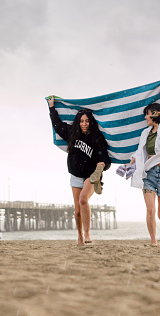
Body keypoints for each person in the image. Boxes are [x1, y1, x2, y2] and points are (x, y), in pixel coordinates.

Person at [47, 96, 111, 246]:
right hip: (75, 175)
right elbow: (57, 125)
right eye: (82, 121)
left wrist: (102, 165)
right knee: (77, 211)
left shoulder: (97, 138)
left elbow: (107, 161)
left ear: (91, 122)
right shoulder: (72, 133)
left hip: (91, 175)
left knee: (83, 200)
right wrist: (51, 108)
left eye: (87, 121)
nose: (84, 124)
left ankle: (87, 233)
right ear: (78, 122)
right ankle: (80, 235)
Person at [129, 75, 160, 246]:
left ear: (155, 114)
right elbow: (139, 151)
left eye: (147, 115)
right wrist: (132, 161)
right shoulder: (144, 133)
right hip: (148, 173)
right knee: (150, 209)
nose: (145, 118)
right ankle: (154, 242)